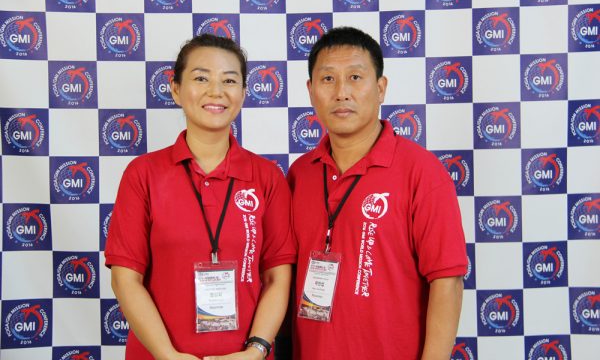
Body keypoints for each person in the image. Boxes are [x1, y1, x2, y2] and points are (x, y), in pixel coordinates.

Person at [105, 34, 295, 360]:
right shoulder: (143, 174)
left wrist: (256, 350)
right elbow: (125, 279)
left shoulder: (267, 177)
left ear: (243, 93)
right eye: (201, 78)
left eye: (229, 80)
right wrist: (167, 355)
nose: (216, 91)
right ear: (176, 89)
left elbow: (277, 277)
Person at [287, 27, 467, 359]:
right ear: (311, 91)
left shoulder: (421, 171)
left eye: (355, 77)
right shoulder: (300, 174)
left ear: (381, 88)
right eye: (328, 79)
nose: (342, 93)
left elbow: (448, 282)